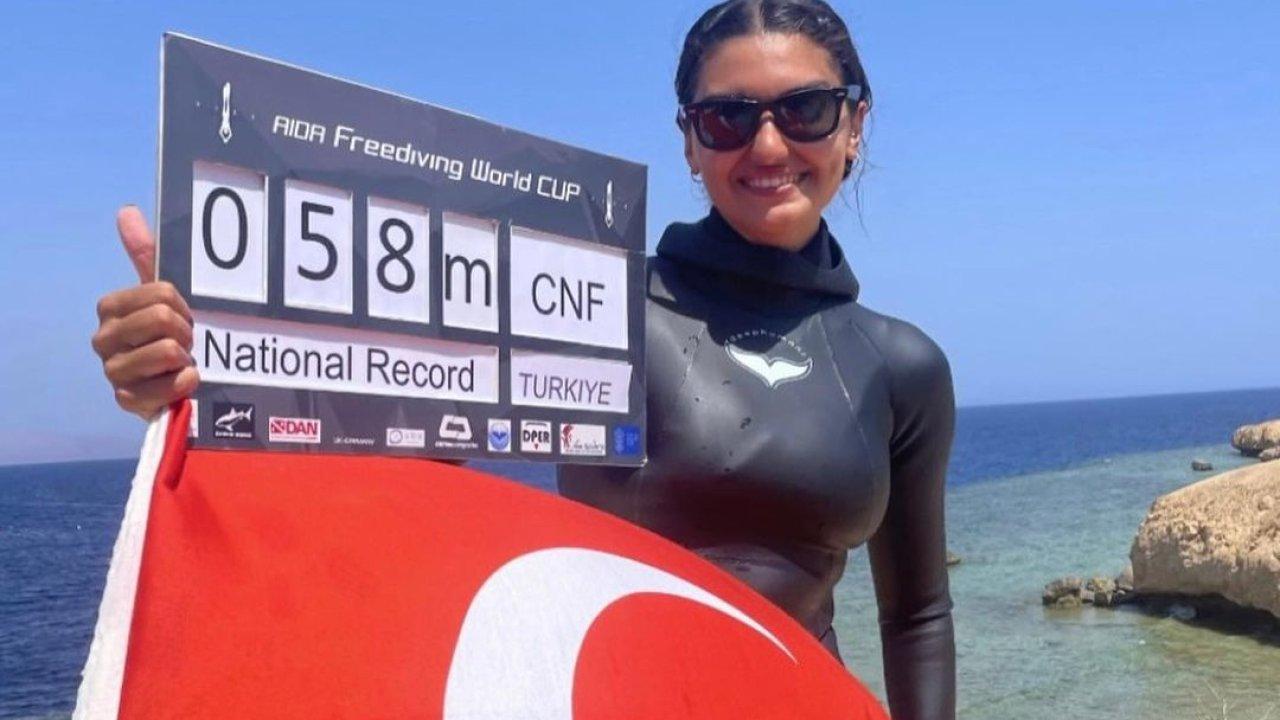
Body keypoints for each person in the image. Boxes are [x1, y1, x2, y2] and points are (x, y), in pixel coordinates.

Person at [91, 1, 955, 717]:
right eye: (726, 118)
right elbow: (379, 432)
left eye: (805, 109)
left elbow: (916, 614)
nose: (766, 147)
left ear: (854, 123)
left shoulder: (900, 365)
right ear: (690, 144)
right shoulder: (592, 303)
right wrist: (203, 365)